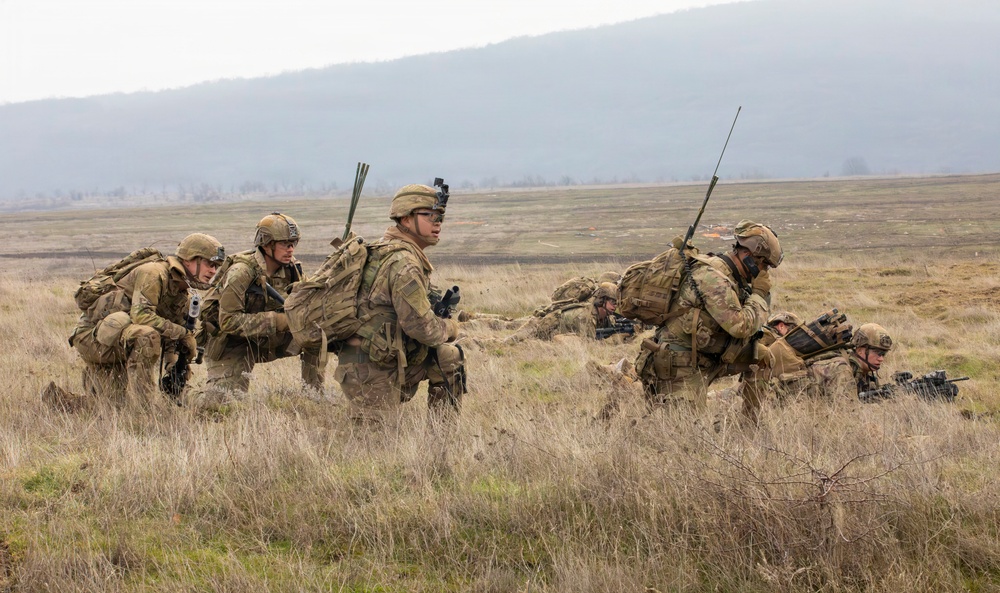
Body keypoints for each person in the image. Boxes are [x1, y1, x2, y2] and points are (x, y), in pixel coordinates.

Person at [333, 183, 464, 425]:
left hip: (386, 359)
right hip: (369, 371)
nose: (438, 223)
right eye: (431, 215)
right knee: (375, 452)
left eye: (441, 217)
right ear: (405, 219)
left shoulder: (387, 250)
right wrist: (450, 328)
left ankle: (442, 440)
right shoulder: (403, 262)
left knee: (449, 357)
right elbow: (423, 328)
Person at [635, 220, 782, 410]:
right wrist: (759, 294)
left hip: (707, 356)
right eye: (764, 265)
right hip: (680, 364)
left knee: (761, 357)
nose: (765, 272)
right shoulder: (713, 278)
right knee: (688, 433)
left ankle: (748, 428)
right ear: (747, 256)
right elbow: (740, 327)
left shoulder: (731, 276)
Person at [69, 233, 225, 408]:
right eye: (209, 264)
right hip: (93, 340)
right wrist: (184, 334)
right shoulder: (153, 273)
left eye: (216, 266)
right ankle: (145, 409)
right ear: (189, 259)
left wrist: (175, 370)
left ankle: (63, 398)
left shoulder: (184, 294)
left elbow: (173, 340)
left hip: (120, 341)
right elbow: (141, 315)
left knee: (109, 407)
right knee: (148, 335)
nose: (213, 271)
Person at [195, 213, 325, 408]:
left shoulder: (292, 269)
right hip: (232, 343)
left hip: (266, 339)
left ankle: (314, 396)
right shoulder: (241, 272)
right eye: (284, 244)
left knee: (315, 332)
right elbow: (228, 321)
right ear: (267, 244)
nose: (290, 249)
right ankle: (183, 393)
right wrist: (279, 321)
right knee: (220, 405)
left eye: (293, 243)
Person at [502, 282, 625, 344]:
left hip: (551, 329)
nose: (616, 306)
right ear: (602, 300)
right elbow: (588, 345)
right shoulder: (584, 316)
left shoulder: (604, 316)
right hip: (537, 327)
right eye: (613, 302)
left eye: (617, 303)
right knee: (507, 342)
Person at [801, 323, 892, 399]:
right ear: (860, 350)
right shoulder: (841, 369)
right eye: (878, 353)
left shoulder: (862, 371)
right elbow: (846, 409)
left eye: (884, 354)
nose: (881, 359)